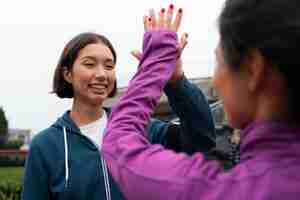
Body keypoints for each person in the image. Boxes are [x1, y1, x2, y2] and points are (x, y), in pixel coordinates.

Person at [102, 2, 300, 200]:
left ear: (253, 69)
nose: (216, 81)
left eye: (219, 62)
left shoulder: (232, 190)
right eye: (89, 63)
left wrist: (157, 62)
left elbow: (120, 143)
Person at [21, 29, 216, 199]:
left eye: (109, 66)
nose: (101, 74)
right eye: (89, 64)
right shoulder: (45, 146)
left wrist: (176, 81)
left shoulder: (142, 129)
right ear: (67, 74)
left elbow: (202, 139)